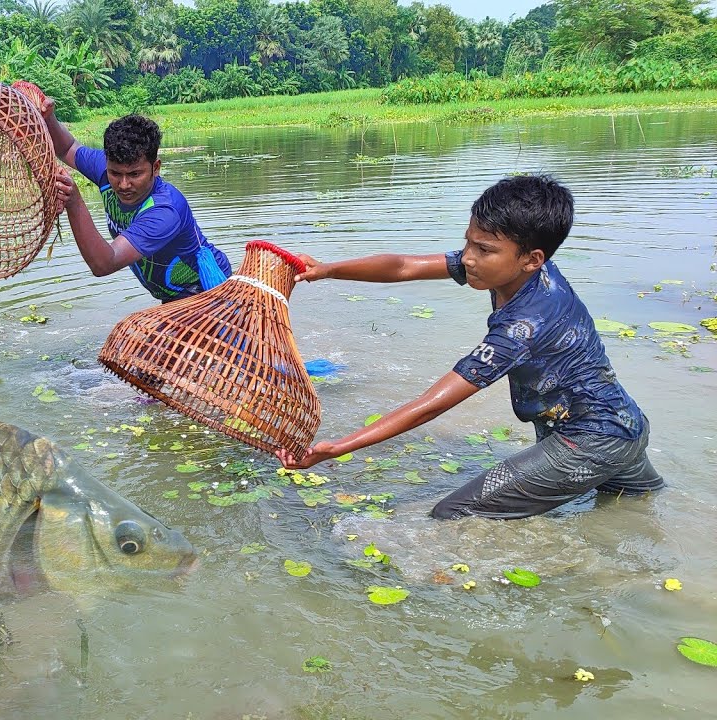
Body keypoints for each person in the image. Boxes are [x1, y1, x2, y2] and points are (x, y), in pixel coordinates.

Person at [274, 174, 664, 520]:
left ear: (532, 259)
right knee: (639, 510)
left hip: (587, 442)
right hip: (623, 428)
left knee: (455, 512)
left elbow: (434, 403)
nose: (468, 259)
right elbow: (405, 266)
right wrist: (327, 270)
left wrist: (338, 447)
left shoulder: (524, 326)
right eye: (469, 243)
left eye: (484, 250)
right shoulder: (516, 269)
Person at [40, 98, 231, 303]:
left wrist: (74, 202)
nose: (123, 185)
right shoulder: (103, 169)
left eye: (134, 174)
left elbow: (104, 264)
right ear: (107, 164)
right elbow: (67, 148)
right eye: (115, 173)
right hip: (171, 297)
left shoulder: (165, 211)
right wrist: (49, 118)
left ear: (155, 168)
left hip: (204, 293)